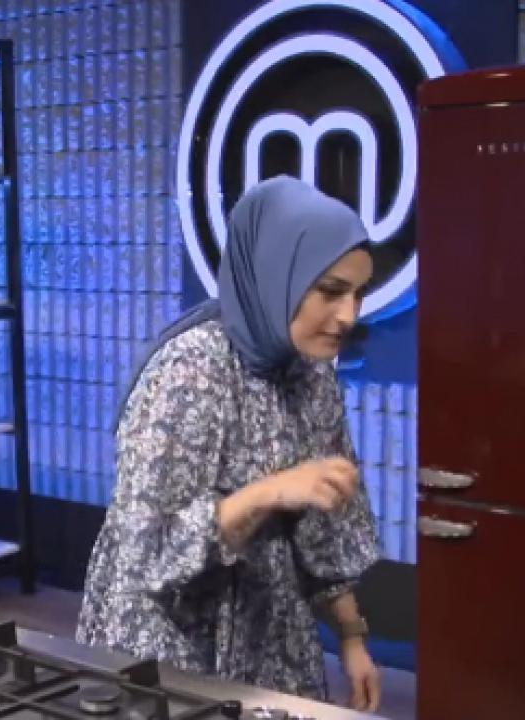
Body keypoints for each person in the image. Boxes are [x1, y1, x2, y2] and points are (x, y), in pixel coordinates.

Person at [76, 176, 383, 712]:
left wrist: (352, 638)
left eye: (357, 294)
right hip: (169, 646)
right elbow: (145, 552)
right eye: (331, 291)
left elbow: (327, 528)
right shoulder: (190, 371)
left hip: (269, 639)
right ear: (278, 274)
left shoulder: (310, 373)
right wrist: (269, 493)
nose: (348, 316)